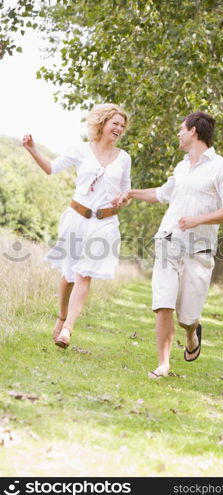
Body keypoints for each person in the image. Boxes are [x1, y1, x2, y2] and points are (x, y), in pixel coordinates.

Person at [112, 111, 223, 378]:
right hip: (168, 242)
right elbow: (163, 193)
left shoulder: (221, 167)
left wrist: (198, 220)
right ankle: (163, 364)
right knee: (163, 303)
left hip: (199, 251)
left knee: (186, 316)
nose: (178, 134)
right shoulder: (181, 167)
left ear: (193, 131)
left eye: (181, 129)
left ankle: (192, 332)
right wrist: (131, 193)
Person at [23, 103, 131, 349]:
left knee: (85, 274)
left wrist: (123, 198)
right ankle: (61, 317)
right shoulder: (81, 150)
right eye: (115, 123)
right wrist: (32, 150)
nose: (119, 129)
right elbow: (51, 168)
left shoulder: (124, 158)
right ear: (102, 123)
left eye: (122, 126)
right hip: (76, 218)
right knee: (68, 276)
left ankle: (68, 330)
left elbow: (126, 191)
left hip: (105, 222)